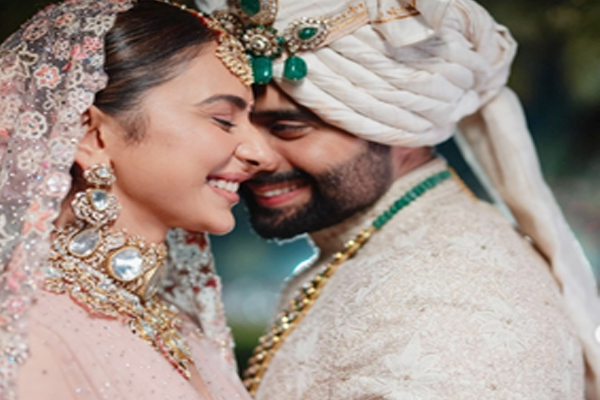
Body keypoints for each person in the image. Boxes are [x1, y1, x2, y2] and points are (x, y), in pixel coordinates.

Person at [199, 0, 600, 398]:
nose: (251, 154)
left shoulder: (452, 304)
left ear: (399, 128)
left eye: (287, 128)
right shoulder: (381, 247)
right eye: (230, 125)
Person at [0, 0, 276, 399]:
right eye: (223, 120)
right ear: (91, 137)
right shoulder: (25, 333)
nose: (261, 154)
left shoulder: (181, 329)